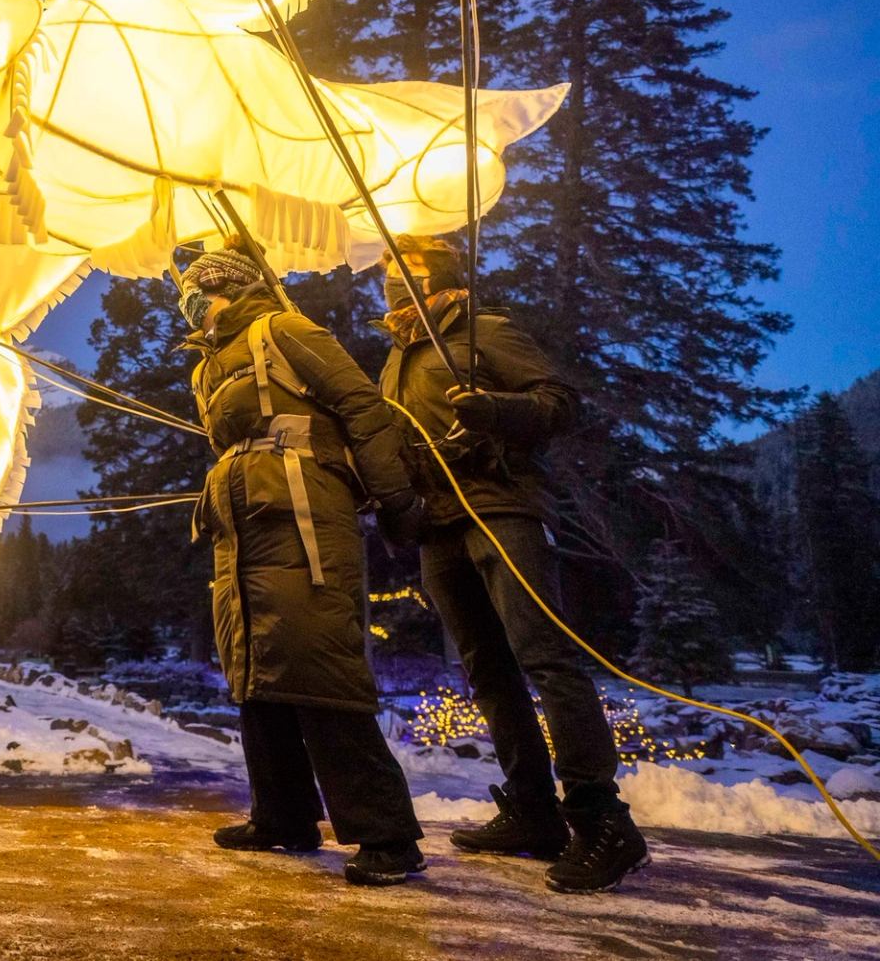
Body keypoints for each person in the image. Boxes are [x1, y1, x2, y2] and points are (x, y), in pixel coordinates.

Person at [377, 233, 647, 894]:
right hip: (439, 528)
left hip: (502, 511)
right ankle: (532, 810)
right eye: (383, 275)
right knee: (488, 672)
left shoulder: (482, 331)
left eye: (400, 270)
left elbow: (559, 402)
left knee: (544, 655)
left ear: (434, 273)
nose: (388, 286)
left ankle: (602, 818)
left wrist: (497, 410)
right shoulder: (395, 362)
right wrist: (396, 502)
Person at [179, 247, 430, 887]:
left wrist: (395, 496)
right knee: (256, 663)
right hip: (243, 526)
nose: (188, 309)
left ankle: (387, 835)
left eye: (197, 296)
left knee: (316, 657)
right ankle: (283, 816)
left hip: (303, 512)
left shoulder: (285, 332)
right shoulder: (207, 370)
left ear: (227, 292)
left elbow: (362, 407)